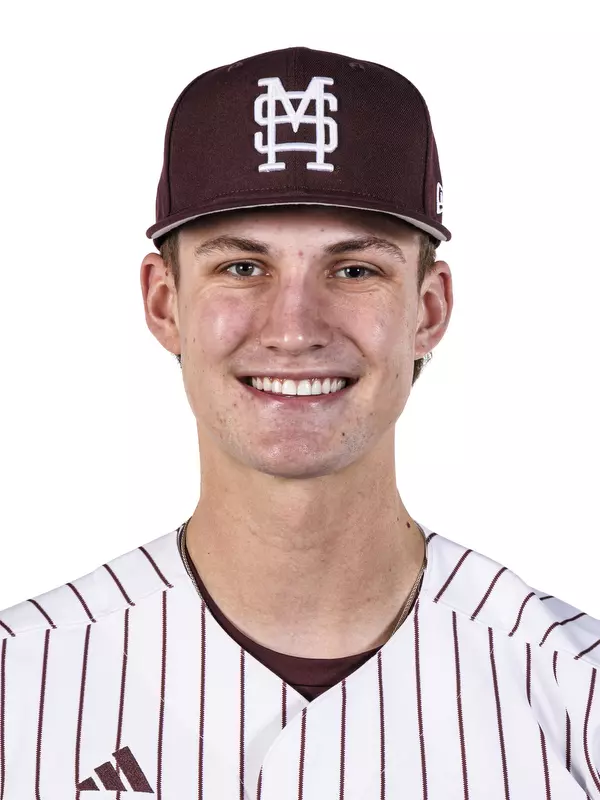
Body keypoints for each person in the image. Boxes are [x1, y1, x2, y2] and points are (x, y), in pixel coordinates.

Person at [0, 46, 598, 800]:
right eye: (242, 268)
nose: (294, 328)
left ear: (428, 310)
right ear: (164, 302)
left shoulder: (575, 692)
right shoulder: (20, 687)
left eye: (354, 270)